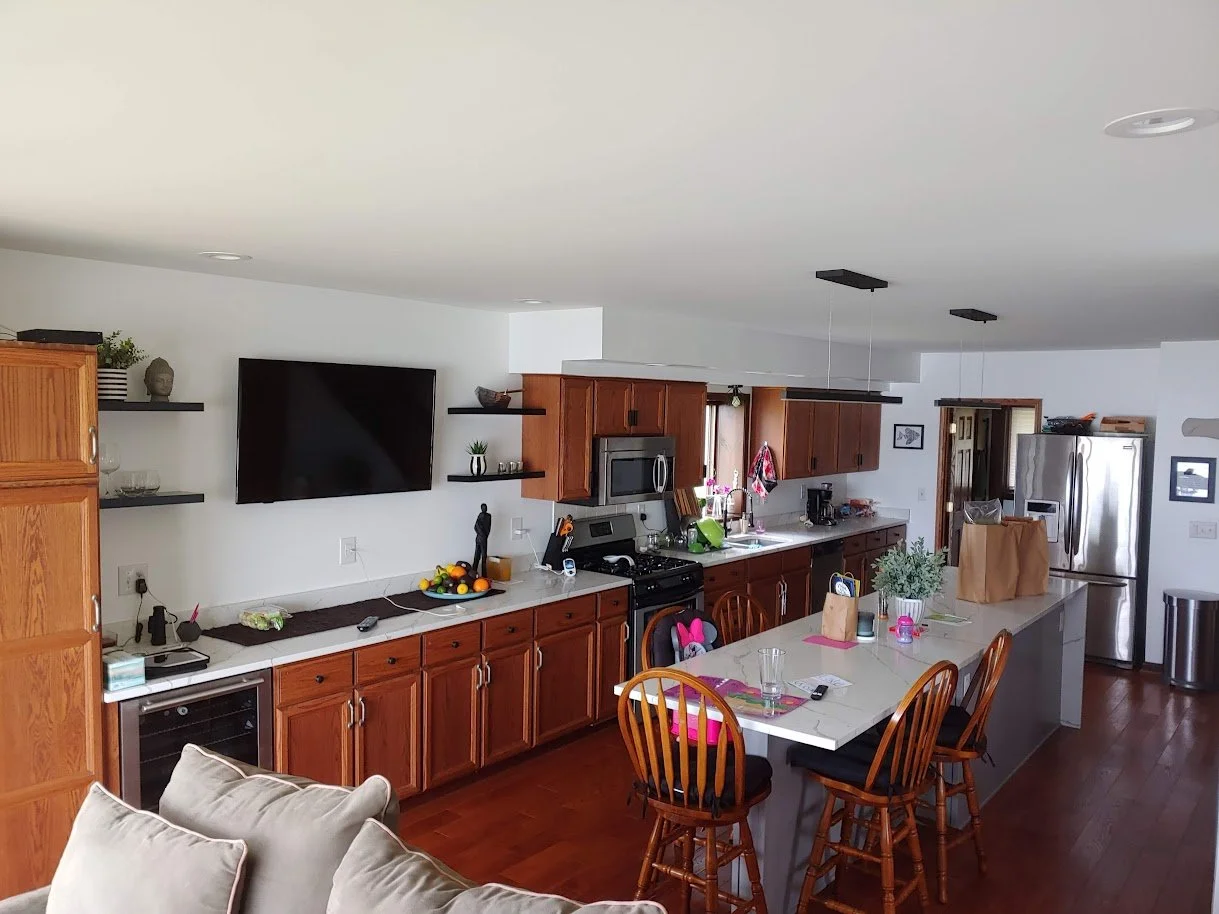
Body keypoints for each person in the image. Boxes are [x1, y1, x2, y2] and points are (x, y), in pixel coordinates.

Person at [473, 503, 492, 579]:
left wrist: (485, 535)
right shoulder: (480, 515)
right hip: (479, 538)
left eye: (485, 507)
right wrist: (481, 534)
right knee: (477, 556)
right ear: (481, 508)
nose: (485, 509)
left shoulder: (489, 516)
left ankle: (484, 576)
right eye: (483, 507)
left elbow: (488, 527)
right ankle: (473, 573)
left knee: (484, 557)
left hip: (483, 538)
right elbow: (475, 527)